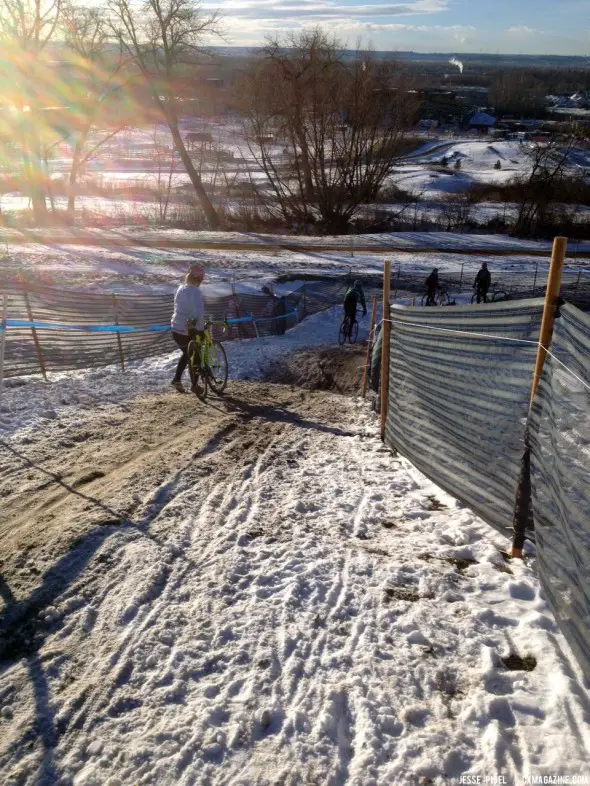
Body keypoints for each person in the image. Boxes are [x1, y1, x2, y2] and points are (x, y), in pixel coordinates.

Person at [170, 264, 205, 393]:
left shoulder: (180, 288)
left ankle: (176, 380)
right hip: (187, 330)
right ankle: (195, 385)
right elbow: (199, 313)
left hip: (176, 328)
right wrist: (201, 330)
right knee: (195, 356)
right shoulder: (196, 292)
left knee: (186, 353)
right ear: (198, 280)